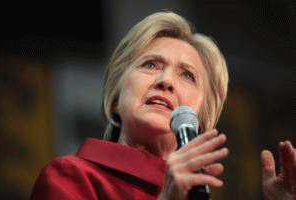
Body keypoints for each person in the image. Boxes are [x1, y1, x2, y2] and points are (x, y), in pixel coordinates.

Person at [30, 11, 296, 200]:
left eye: (187, 75)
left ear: (201, 120)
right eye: (150, 64)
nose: (165, 80)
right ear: (114, 97)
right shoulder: (70, 176)